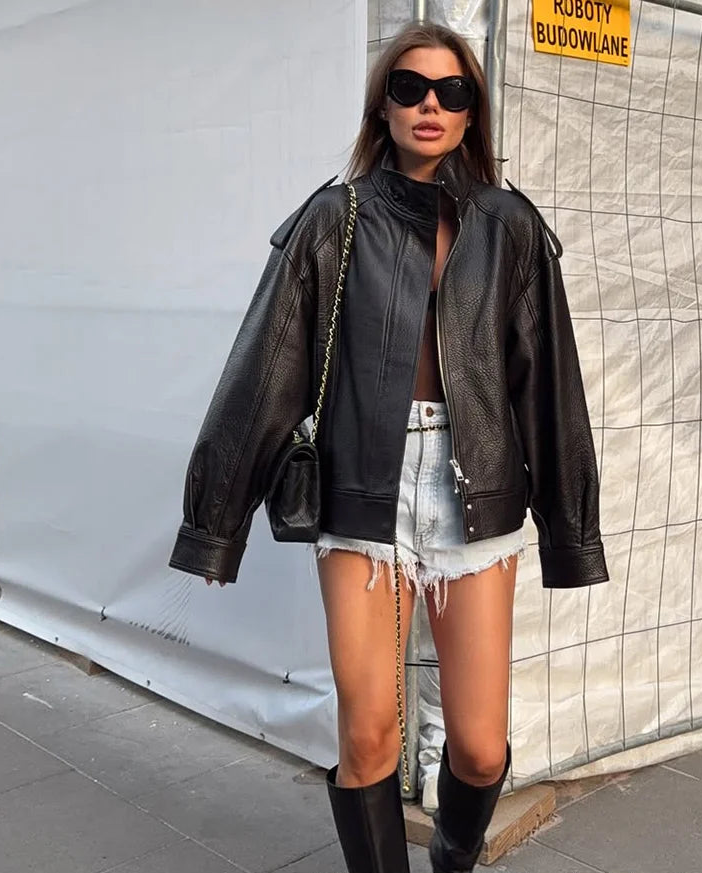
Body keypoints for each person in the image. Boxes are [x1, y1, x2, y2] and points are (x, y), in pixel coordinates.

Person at [168, 20, 608, 873]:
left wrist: (570, 529)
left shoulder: (509, 226)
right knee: (368, 734)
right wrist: (214, 520)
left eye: (452, 91)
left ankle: (451, 860)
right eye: (409, 87)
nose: (430, 105)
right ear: (384, 104)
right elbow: (266, 371)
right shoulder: (333, 219)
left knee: (480, 749)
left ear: (474, 111)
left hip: (473, 486)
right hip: (362, 487)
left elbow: (549, 385)